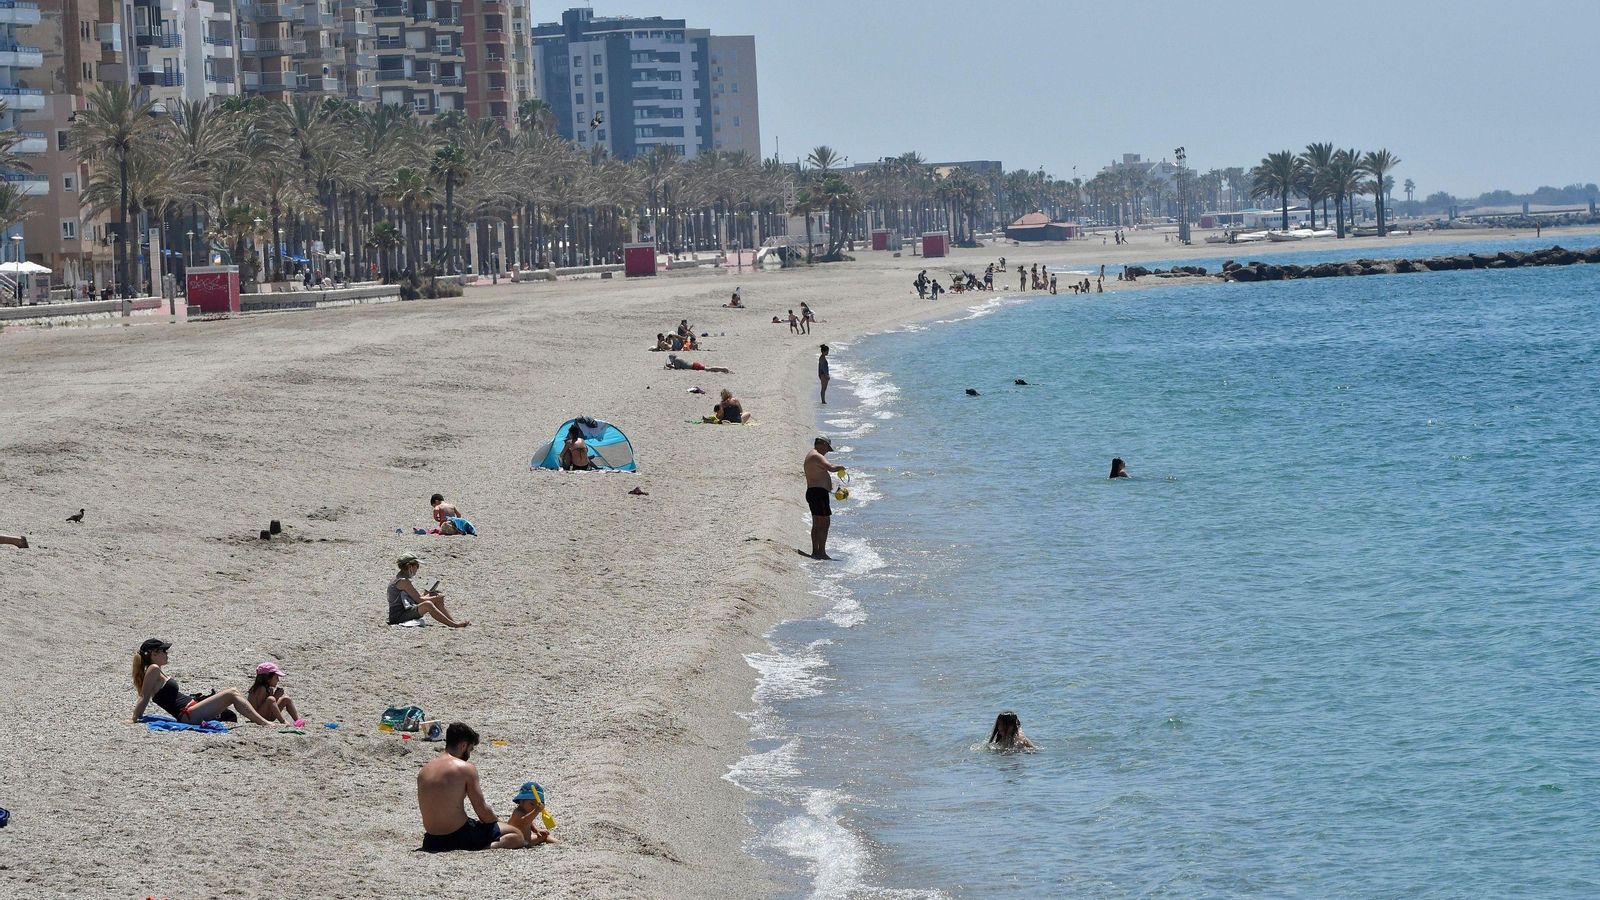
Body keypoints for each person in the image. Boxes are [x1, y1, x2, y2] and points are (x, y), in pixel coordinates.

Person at [418, 723, 523, 852]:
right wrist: (499, 823)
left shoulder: (424, 770)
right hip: (459, 835)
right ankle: (485, 848)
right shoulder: (465, 769)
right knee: (516, 835)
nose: (469, 755)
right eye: (470, 749)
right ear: (463, 745)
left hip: (431, 840)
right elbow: (482, 811)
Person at [130, 639, 272, 726]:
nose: (167, 654)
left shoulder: (157, 670)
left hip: (191, 710)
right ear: (154, 654)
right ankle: (264, 723)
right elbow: (144, 696)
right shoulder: (153, 669)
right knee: (232, 693)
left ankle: (261, 721)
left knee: (232, 693)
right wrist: (134, 718)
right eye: (164, 651)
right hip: (187, 715)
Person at [389, 554, 469, 627]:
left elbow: (414, 599)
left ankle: (453, 622)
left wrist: (429, 594)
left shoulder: (400, 579)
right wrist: (435, 597)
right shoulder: (403, 581)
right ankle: (453, 624)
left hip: (406, 609)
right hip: (398, 616)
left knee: (432, 595)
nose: (417, 569)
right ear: (410, 567)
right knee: (428, 604)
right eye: (417, 566)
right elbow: (419, 600)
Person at [804, 436, 847, 560]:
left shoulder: (813, 455)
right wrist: (841, 467)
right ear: (821, 444)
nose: (827, 451)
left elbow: (821, 476)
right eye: (827, 447)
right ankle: (821, 552)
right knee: (824, 522)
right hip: (818, 493)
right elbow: (831, 468)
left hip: (815, 492)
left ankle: (816, 552)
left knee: (817, 522)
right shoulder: (816, 455)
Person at [246, 662, 305, 727]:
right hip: (257, 718)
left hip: (266, 716)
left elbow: (269, 707)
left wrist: (275, 697)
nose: (278, 680)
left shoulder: (268, 688)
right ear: (268, 678)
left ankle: (298, 721)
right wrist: (275, 697)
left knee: (286, 699)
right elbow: (259, 710)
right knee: (271, 699)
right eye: (276, 677)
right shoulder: (261, 689)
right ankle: (283, 721)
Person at [504, 782, 557, 847]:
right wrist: (536, 811)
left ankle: (559, 844)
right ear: (521, 801)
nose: (534, 807)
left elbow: (530, 822)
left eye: (536, 804)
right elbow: (525, 821)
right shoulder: (517, 812)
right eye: (532, 804)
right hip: (515, 842)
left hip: (526, 840)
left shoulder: (527, 812)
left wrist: (536, 830)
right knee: (544, 837)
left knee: (545, 836)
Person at [664, 353, 732, 374]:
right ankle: (724, 369)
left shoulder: (676, 360)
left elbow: (677, 368)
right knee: (709, 368)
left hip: (693, 366)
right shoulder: (677, 358)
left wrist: (670, 367)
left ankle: (724, 369)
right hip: (694, 364)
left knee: (709, 369)